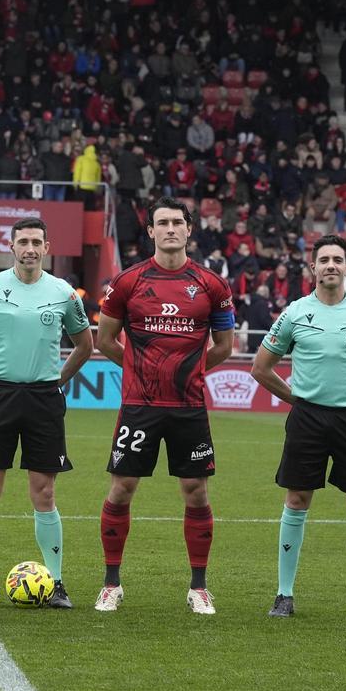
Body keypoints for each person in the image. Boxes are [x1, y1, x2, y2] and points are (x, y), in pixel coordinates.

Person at [91, 196, 236, 614]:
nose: (171, 228)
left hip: (189, 407)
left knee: (196, 493)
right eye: (163, 223)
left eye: (178, 222)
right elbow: (105, 340)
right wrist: (140, 369)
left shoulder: (212, 285)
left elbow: (225, 346)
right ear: (151, 231)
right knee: (122, 488)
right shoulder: (127, 282)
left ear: (189, 230)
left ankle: (199, 587)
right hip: (140, 405)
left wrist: (188, 371)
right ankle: (111, 583)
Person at [251, 234, 346, 621]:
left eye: (338, 259)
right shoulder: (294, 313)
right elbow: (260, 367)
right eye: (324, 260)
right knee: (297, 500)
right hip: (308, 419)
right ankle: (284, 595)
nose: (331, 265)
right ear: (313, 268)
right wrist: (297, 401)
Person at [0, 217, 94, 608]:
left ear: (46, 247)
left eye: (36, 242)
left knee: (44, 492)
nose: (29, 248)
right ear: (11, 246)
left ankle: (57, 583)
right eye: (23, 242)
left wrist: (58, 380)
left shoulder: (64, 293)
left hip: (43, 400)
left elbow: (84, 344)